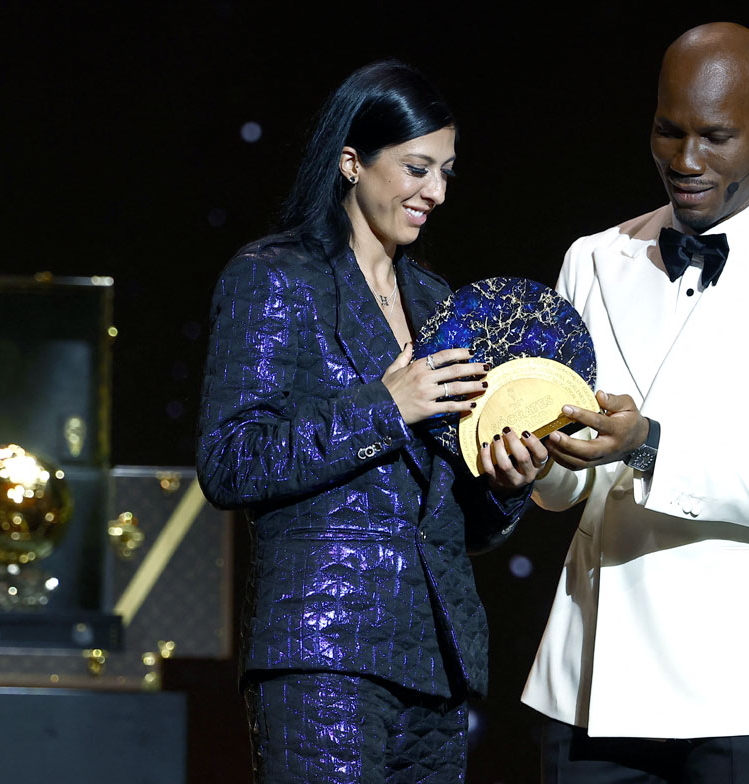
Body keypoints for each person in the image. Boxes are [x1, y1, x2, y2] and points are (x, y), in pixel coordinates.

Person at [521, 23, 749, 783]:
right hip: (593, 680)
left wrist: (650, 443)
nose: (685, 161)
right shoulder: (592, 259)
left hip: (742, 689)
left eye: (715, 137)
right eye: (668, 131)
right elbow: (565, 490)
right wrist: (532, 458)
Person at [196, 60, 549, 783]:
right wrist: (386, 406)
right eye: (418, 168)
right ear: (351, 161)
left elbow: (453, 515)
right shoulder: (274, 276)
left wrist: (507, 482)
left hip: (436, 659)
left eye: (447, 172)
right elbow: (231, 460)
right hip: (322, 644)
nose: (437, 193)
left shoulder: (439, 299)